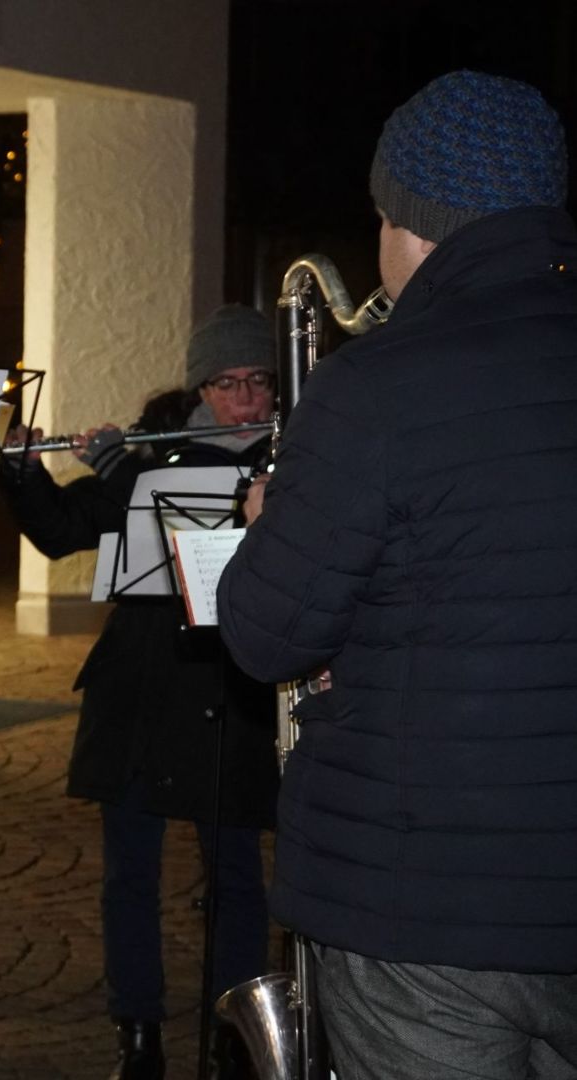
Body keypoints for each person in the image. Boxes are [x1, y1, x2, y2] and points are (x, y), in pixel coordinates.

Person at [217, 70, 577, 1080]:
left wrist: (267, 526)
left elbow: (266, 634)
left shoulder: (375, 383)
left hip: (421, 901)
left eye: (381, 216)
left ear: (413, 225)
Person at [7, 304, 280, 1080]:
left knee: (235, 875)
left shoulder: (293, 463)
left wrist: (123, 470)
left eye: (258, 381)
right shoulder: (159, 455)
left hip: (231, 692)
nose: (244, 400)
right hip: (140, 685)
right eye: (226, 383)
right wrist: (23, 469)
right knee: (130, 872)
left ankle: (236, 1035)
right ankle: (137, 1033)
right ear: (201, 388)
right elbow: (61, 531)